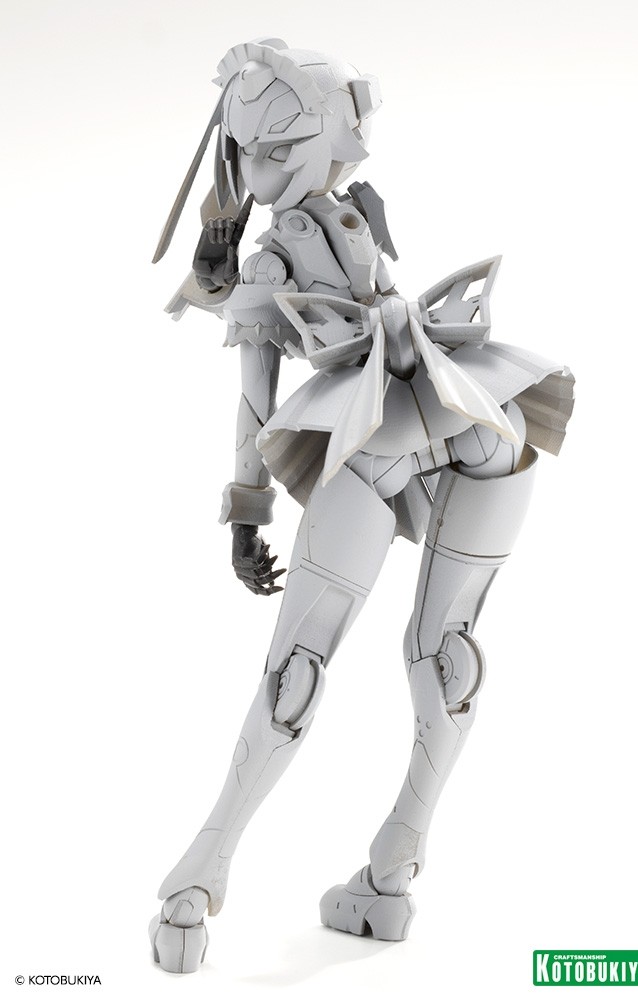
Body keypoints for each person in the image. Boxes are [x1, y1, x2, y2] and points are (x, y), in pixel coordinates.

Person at [150, 37, 574, 974]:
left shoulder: (300, 243)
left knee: (300, 666)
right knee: (446, 651)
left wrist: (247, 511)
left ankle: (195, 886)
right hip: (480, 419)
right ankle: (390, 875)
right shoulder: (336, 222)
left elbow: (255, 400)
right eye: (248, 149)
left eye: (271, 146)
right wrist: (224, 274)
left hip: (385, 435)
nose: (256, 165)